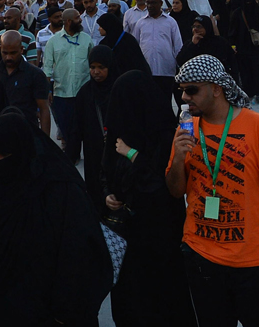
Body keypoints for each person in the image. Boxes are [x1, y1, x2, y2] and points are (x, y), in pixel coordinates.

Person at [167, 55, 259, 327]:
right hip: (201, 254)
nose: (184, 97)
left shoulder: (257, 126)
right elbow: (175, 190)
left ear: (216, 88)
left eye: (192, 90)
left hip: (251, 258)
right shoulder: (186, 128)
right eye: (182, 90)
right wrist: (179, 160)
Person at [0, 111, 112, 327]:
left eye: (5, 155)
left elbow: (80, 255)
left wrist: (65, 311)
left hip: (53, 315)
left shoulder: (59, 190)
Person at [103, 70, 192, 327]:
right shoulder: (117, 135)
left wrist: (133, 155)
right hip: (127, 236)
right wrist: (107, 194)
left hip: (161, 233)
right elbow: (104, 171)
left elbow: (160, 184)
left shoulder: (166, 135)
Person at [43, 8, 93, 164]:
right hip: (61, 92)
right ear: (69, 21)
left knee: (82, 126)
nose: (81, 20)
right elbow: (47, 68)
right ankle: (72, 153)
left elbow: (93, 64)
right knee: (65, 126)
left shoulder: (87, 39)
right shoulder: (53, 41)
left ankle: (74, 155)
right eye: (78, 18)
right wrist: (48, 90)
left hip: (83, 91)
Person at [74, 45, 117, 213]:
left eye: (101, 67)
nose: (96, 72)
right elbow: (76, 127)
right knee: (95, 194)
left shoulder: (118, 90)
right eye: (92, 67)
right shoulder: (85, 93)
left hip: (115, 152)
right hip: (93, 153)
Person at [0, 30, 51, 134]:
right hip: (1, 134)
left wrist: (45, 143)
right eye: (5, 53)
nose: (8, 57)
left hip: (28, 133)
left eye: (13, 53)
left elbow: (44, 109)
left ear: (21, 49)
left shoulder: (35, 74)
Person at [134, 0, 183, 106]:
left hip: (166, 70)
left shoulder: (170, 22)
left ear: (161, 3)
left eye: (153, 3)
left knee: (165, 103)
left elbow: (178, 46)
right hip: (146, 71)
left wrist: (179, 67)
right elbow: (136, 46)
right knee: (148, 103)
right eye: (148, 3)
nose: (150, 6)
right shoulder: (140, 23)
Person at [96, 12, 151, 77]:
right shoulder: (105, 43)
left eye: (101, 26)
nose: (99, 29)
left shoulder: (128, 41)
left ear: (107, 26)